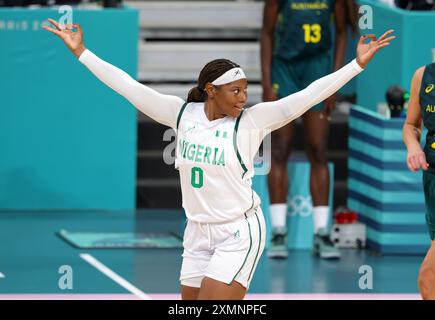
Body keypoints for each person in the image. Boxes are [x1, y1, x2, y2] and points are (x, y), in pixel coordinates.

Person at [43, 18, 394, 300]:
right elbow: (127, 86)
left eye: (245, 89)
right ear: (211, 90)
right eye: (235, 90)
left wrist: (356, 65)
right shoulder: (181, 114)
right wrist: (82, 52)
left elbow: (304, 97)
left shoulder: (252, 121)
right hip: (196, 231)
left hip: (238, 231)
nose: (244, 96)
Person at [261, 0, 357, 259]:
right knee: (280, 148)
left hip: (317, 69)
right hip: (285, 70)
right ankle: (279, 231)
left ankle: (321, 233)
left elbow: (341, 33)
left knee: (318, 149)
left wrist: (334, 80)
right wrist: (267, 82)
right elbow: (266, 33)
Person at [403, 64, 435, 300]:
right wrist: (413, 146)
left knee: (428, 278)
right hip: (432, 177)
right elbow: (411, 125)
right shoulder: (423, 76)